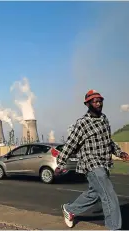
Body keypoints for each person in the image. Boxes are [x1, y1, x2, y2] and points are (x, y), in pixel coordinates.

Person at [55, 89, 129, 230]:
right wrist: (60, 163)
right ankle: (114, 228)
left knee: (94, 194)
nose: (98, 103)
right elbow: (71, 144)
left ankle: (69, 209)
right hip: (91, 163)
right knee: (109, 195)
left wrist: (120, 153)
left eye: (100, 100)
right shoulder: (82, 123)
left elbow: (109, 141)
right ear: (88, 104)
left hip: (104, 162)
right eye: (94, 101)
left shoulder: (104, 119)